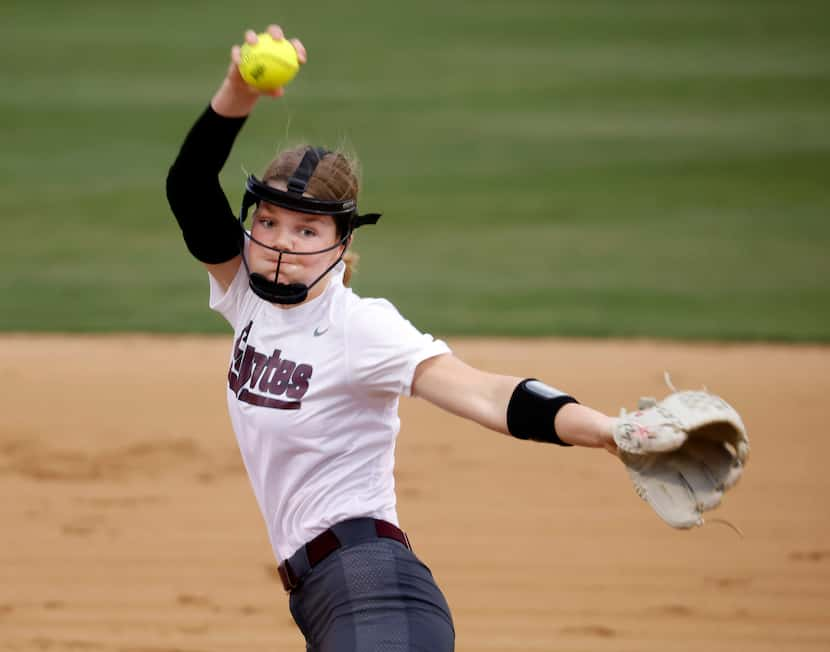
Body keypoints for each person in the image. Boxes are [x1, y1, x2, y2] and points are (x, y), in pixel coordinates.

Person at [165, 24, 624, 652]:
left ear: (342, 243)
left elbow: (488, 395)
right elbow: (188, 187)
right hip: (324, 598)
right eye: (269, 221)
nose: (279, 243)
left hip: (375, 590)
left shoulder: (361, 326)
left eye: (307, 231)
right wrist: (236, 91)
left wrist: (608, 431)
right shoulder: (245, 292)